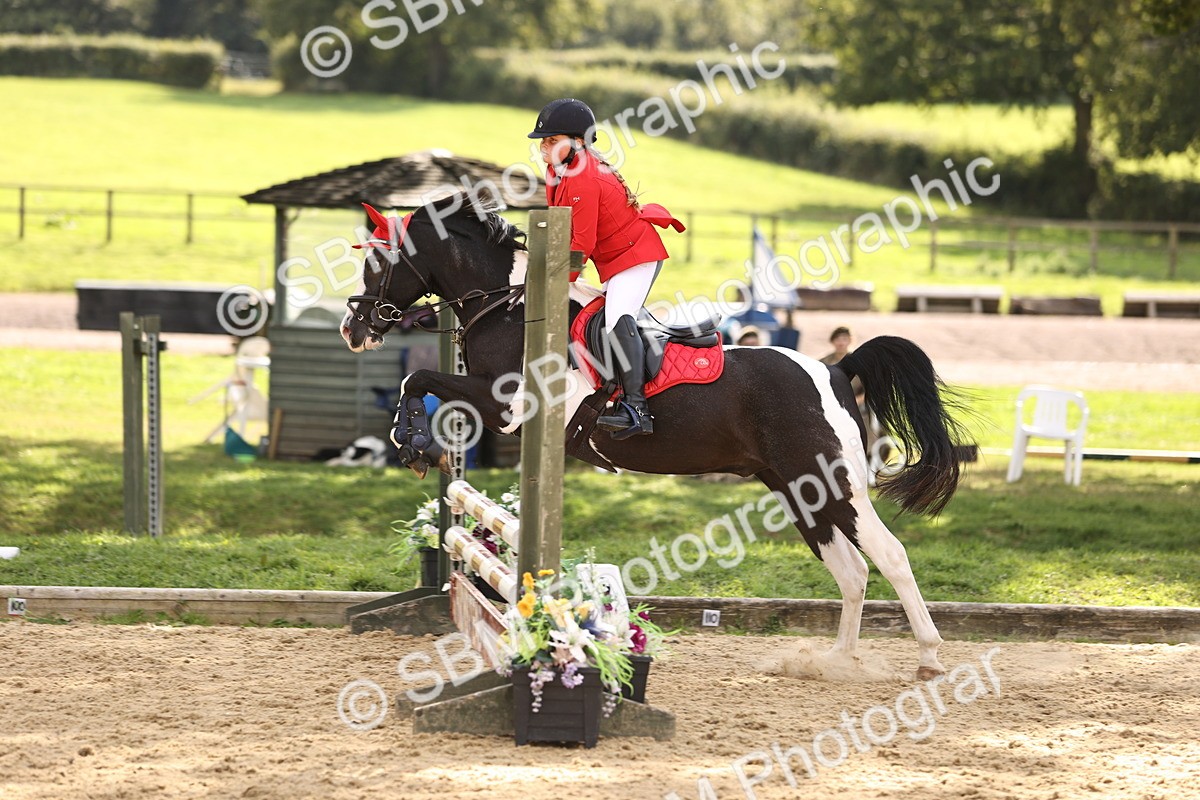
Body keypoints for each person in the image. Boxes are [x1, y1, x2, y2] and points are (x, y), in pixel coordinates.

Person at [528, 98, 684, 440]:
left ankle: (637, 407)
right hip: (615, 260)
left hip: (636, 257)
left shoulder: (583, 175)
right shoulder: (559, 170)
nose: (544, 146)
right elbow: (558, 226)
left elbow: (580, 242)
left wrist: (558, 282)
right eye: (544, 140)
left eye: (553, 140)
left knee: (617, 320)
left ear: (578, 141)